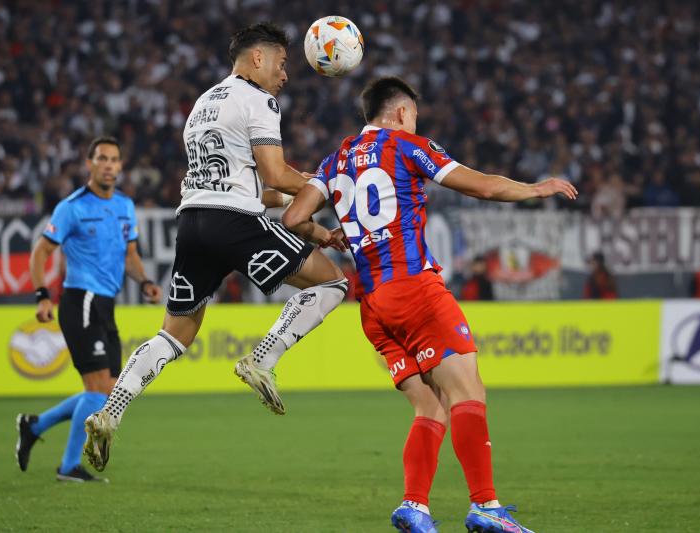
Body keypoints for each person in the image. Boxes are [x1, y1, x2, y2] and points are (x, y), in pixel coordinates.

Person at [283, 77, 577, 533]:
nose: (415, 121)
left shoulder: (335, 158)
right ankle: (486, 506)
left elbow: (293, 217)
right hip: (414, 287)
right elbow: (482, 187)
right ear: (401, 113)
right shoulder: (405, 145)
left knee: (432, 408)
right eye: (414, 114)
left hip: (373, 303)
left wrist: (327, 236)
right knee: (468, 393)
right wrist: (537, 190)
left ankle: (415, 506)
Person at [83, 23, 348, 472]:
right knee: (333, 282)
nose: (285, 76)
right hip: (234, 223)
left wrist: (317, 228)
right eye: (282, 64)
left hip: (192, 223)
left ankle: (111, 412)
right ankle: (262, 359)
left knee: (173, 334)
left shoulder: (204, 104)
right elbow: (276, 176)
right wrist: (334, 189)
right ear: (258, 59)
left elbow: (257, 189)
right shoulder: (259, 100)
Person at [15, 136, 162, 482]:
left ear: (121, 166)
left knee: (107, 389)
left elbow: (130, 255)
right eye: (102, 158)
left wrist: (144, 282)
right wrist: (41, 295)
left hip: (106, 305)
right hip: (80, 300)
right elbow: (41, 252)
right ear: (90, 163)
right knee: (97, 389)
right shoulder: (72, 207)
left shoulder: (125, 206)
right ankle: (68, 467)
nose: (109, 165)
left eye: (114, 159)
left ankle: (35, 425)